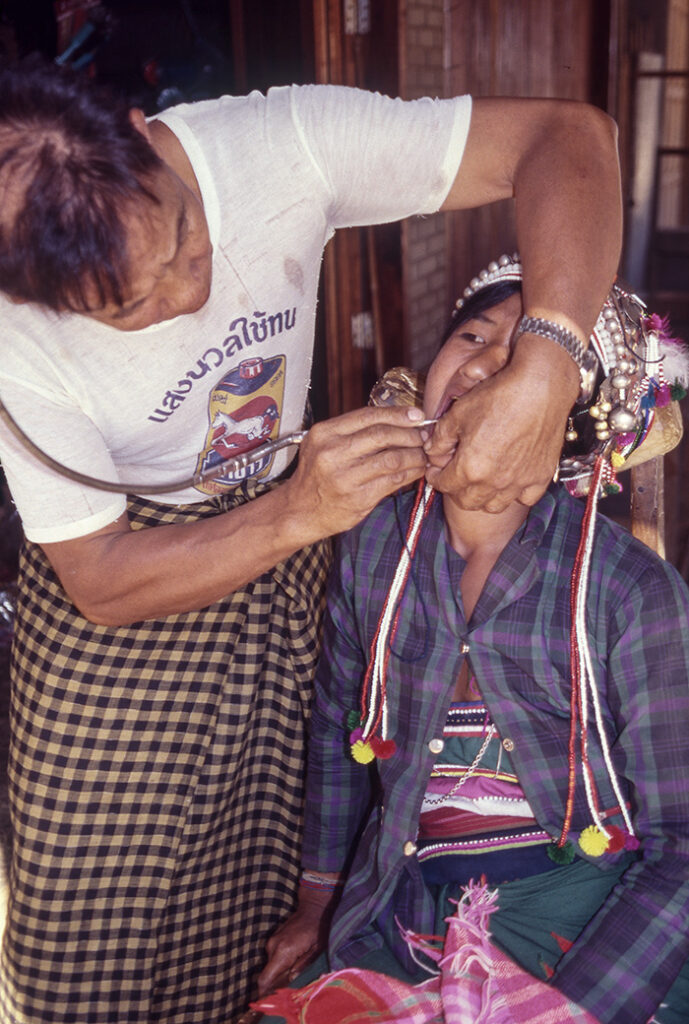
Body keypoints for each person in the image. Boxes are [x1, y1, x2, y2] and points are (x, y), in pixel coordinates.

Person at [0, 53, 624, 1024]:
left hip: (275, 599)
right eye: (134, 305)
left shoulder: (276, 143)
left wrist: (548, 356)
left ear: (138, 131)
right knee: (90, 942)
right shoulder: (14, 339)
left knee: (249, 926)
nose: (185, 292)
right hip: (120, 617)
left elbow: (569, 138)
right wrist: (295, 511)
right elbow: (100, 580)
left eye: (184, 241)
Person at [256, 258, 689, 1024]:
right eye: (471, 334)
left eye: (524, 359)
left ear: (573, 416)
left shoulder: (628, 592)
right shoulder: (376, 549)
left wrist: (576, 1007)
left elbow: (680, 845)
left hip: (587, 919)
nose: (484, 361)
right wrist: (319, 897)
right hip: (403, 906)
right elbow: (338, 732)